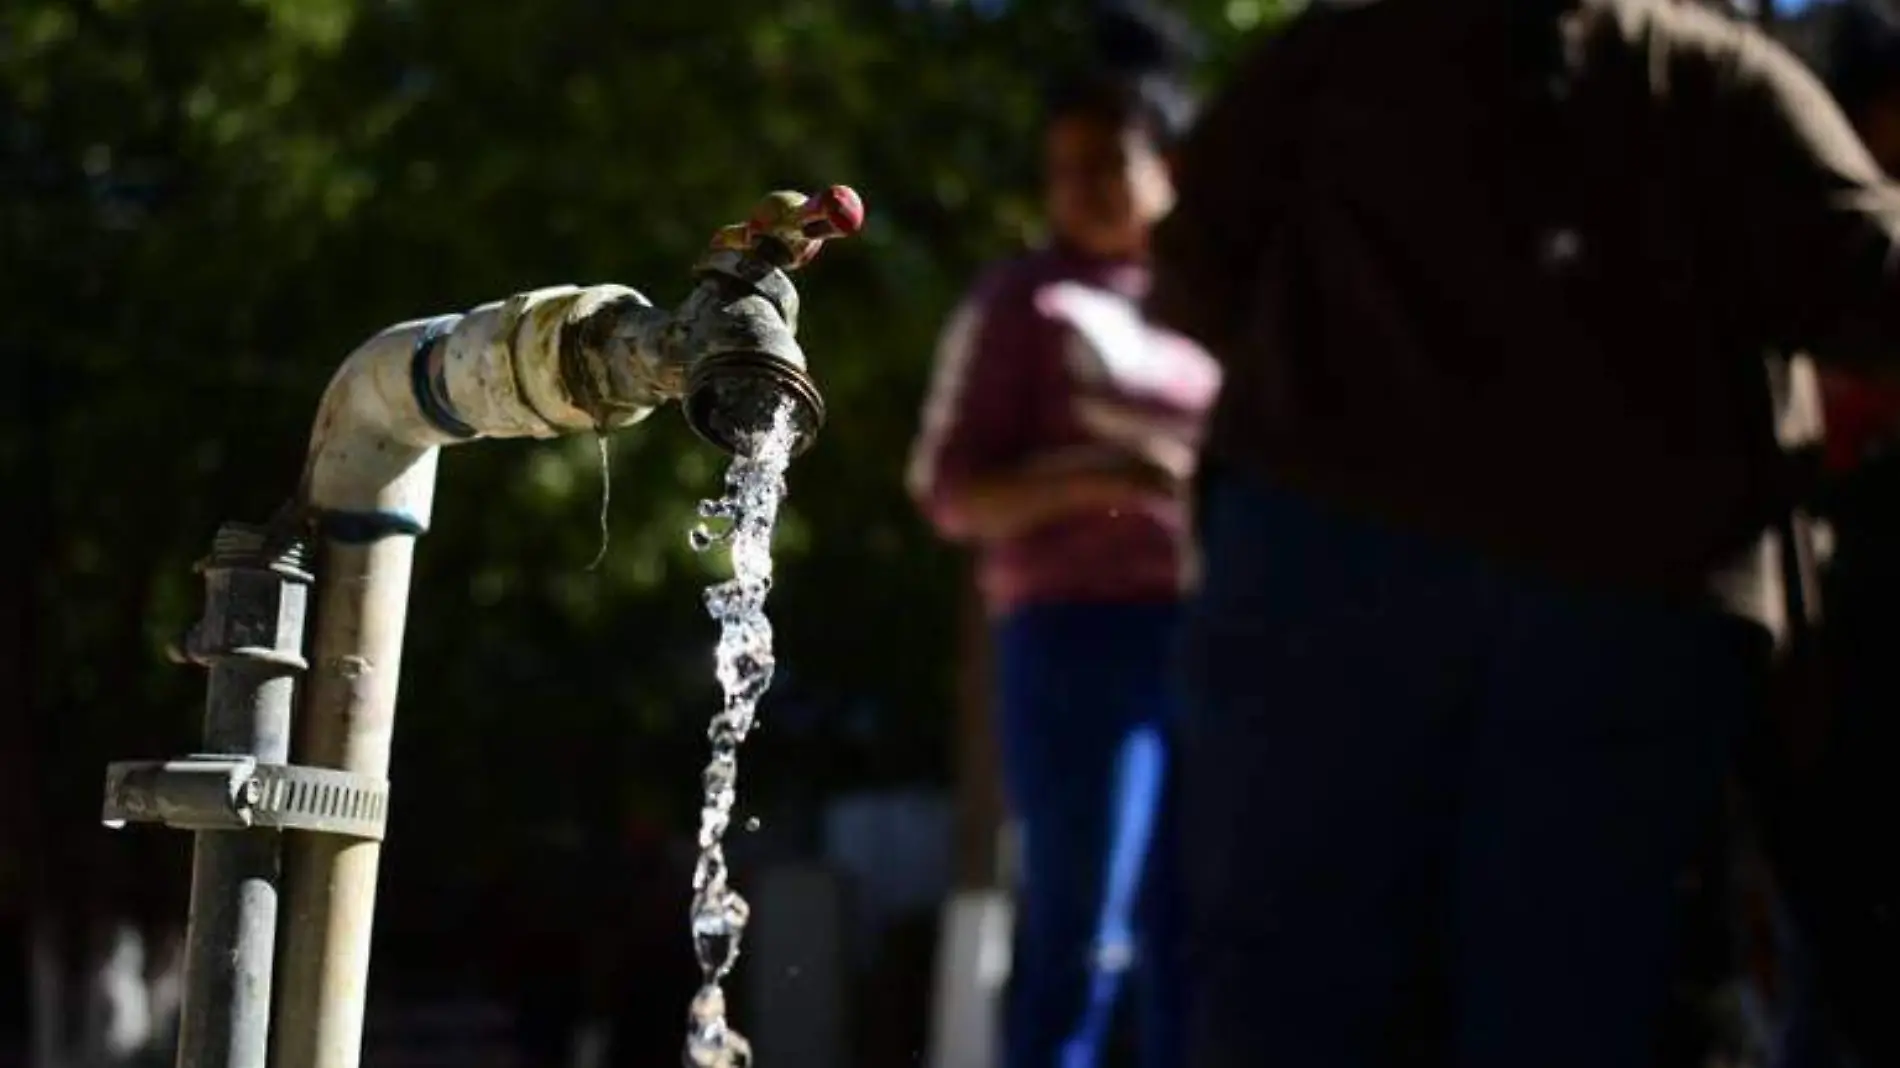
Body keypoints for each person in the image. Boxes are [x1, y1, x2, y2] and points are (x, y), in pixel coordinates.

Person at [1144, 2, 1900, 1066]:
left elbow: (1190, 269)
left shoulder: (1343, 52)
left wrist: (1346, 387)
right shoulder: (1708, 79)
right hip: (1620, 608)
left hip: (1329, 584)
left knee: (1295, 998)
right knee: (1571, 1005)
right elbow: (1868, 282)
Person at [905, 25, 1217, 1068]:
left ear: (1165, 168)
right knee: (1084, 929)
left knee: (1200, 942)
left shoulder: (1208, 308)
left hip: (1213, 642)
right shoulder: (1022, 304)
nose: (1081, 189)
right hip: (1079, 638)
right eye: (1063, 171)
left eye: (1107, 165)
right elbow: (947, 492)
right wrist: (1106, 478)